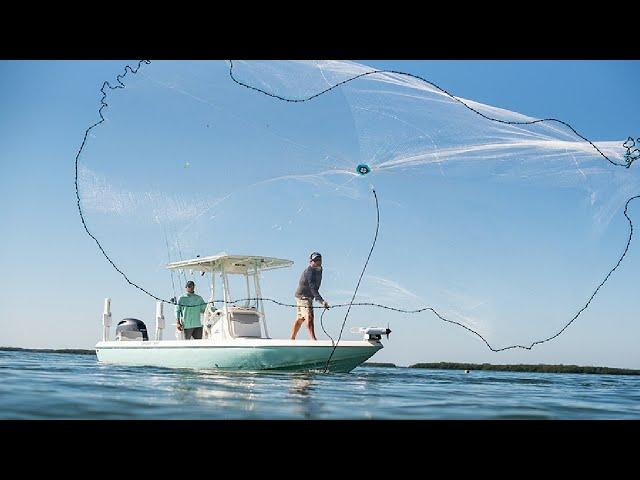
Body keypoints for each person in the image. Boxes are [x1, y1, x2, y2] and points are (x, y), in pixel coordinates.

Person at [291, 252, 329, 340]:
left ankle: (292, 338)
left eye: (319, 260)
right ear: (311, 262)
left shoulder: (320, 269)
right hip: (303, 296)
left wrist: (317, 298)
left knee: (301, 318)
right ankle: (313, 340)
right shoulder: (310, 271)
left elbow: (315, 287)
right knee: (309, 316)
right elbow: (312, 288)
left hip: (307, 296)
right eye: (315, 260)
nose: (317, 262)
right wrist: (321, 301)